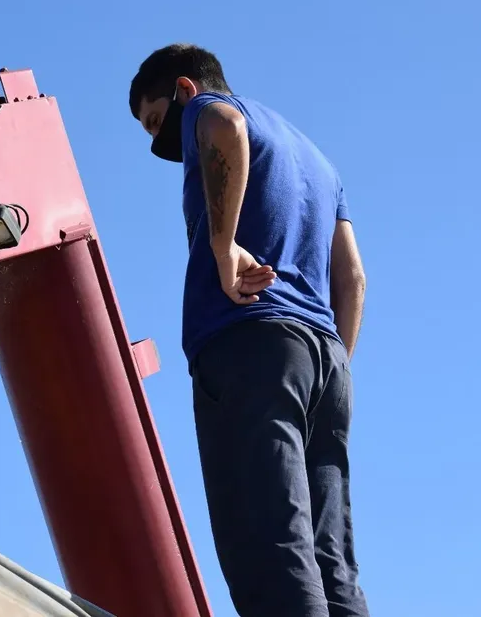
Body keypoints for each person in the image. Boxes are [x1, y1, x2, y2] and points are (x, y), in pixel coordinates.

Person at [128, 44, 370, 617]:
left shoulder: (209, 110)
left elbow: (222, 122)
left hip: (250, 345)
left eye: (156, 122)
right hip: (325, 362)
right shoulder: (317, 161)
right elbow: (353, 277)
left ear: (185, 89)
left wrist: (220, 242)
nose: (155, 140)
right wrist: (335, 360)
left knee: (270, 548)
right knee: (330, 559)